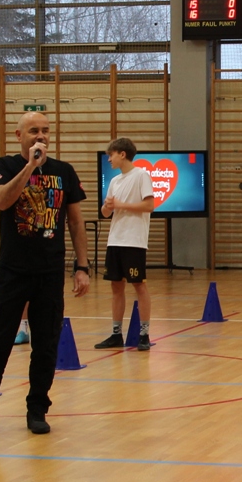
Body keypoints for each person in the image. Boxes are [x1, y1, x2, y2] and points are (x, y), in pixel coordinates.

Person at [0, 112, 90, 436]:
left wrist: (82, 266)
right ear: (19, 135)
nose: (40, 136)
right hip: (13, 272)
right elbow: (2, 201)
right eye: (33, 131)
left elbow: (75, 222)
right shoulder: (5, 166)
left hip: (50, 272)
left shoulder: (64, 171)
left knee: (45, 346)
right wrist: (30, 166)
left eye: (45, 130)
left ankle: (37, 409)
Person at [94, 138, 154, 352]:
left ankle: (144, 334)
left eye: (111, 155)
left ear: (122, 154)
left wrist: (121, 204)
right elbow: (105, 212)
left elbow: (149, 205)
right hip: (115, 239)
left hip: (133, 240)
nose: (109, 159)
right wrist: (108, 207)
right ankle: (116, 334)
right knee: (116, 286)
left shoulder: (141, 175)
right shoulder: (114, 181)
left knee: (139, 285)